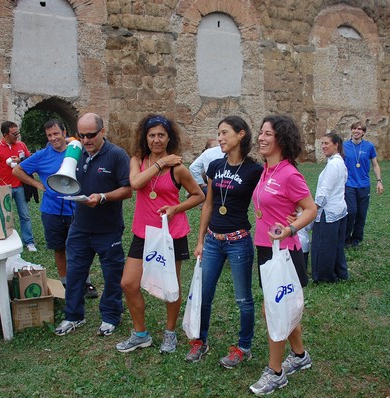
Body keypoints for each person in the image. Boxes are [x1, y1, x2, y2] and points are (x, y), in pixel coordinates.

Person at [116, 114, 204, 352]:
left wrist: (176, 208)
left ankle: (170, 332)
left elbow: (199, 195)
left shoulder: (178, 168)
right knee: (128, 283)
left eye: (161, 135)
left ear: (169, 138)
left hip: (170, 235)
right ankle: (141, 333)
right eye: (152, 135)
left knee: (170, 286)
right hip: (144, 233)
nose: (156, 140)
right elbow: (135, 184)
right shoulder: (138, 160)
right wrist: (159, 164)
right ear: (145, 138)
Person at [185, 116, 262, 366]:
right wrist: (199, 240)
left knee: (243, 299)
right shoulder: (215, 166)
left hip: (238, 241)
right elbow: (208, 204)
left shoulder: (254, 170)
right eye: (218, 133)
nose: (220, 138)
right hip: (212, 241)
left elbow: (269, 196)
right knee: (204, 294)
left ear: (241, 135)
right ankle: (200, 341)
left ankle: (244, 346)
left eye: (224, 132)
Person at [250, 115, 317, 396]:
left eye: (268, 134)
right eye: (261, 133)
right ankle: (300, 356)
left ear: (282, 139)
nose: (261, 138)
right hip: (265, 248)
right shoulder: (267, 170)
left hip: (284, 252)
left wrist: (290, 228)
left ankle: (276, 372)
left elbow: (311, 209)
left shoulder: (289, 173)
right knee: (281, 309)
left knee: (274, 311)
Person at [54, 113, 132, 336]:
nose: (86, 140)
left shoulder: (117, 155)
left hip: (108, 228)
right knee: (75, 273)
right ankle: (73, 316)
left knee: (112, 275)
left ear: (102, 132)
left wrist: (103, 197)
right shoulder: (76, 153)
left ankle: (110, 316)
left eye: (91, 135)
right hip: (80, 226)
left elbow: (128, 189)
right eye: (82, 135)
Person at [12, 119, 98, 298]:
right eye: (49, 135)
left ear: (64, 133)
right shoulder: (41, 155)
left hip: (77, 208)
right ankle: (66, 283)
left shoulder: (78, 151)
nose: (53, 138)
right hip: (51, 210)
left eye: (56, 134)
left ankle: (86, 282)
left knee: (81, 247)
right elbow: (17, 170)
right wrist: (37, 184)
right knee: (59, 248)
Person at [0, 121, 37, 252]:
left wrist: (20, 161)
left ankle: (29, 241)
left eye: (18, 132)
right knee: (5, 216)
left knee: (25, 215)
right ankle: (6, 241)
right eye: (14, 133)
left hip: (20, 185)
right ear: (5, 134)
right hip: (5, 187)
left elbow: (30, 161)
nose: (17, 135)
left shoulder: (21, 145)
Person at [311, 132, 348, 282]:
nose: (323, 146)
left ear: (336, 144)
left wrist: (313, 209)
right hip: (339, 210)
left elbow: (324, 192)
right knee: (336, 245)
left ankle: (324, 276)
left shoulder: (334, 164)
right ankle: (340, 273)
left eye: (326, 143)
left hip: (329, 212)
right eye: (322, 143)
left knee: (323, 245)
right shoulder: (339, 162)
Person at [343, 121, 383, 248]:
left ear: (363, 132)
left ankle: (357, 239)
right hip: (349, 183)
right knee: (351, 211)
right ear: (351, 130)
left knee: (361, 213)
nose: (356, 131)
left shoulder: (369, 146)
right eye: (354, 128)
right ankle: (345, 238)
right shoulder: (344, 146)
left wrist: (379, 181)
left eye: (359, 129)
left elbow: (375, 164)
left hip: (364, 184)